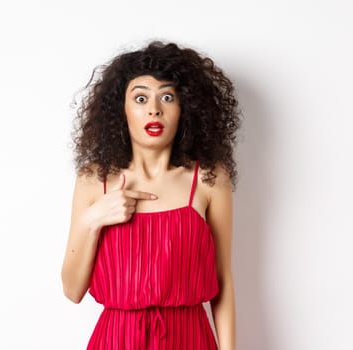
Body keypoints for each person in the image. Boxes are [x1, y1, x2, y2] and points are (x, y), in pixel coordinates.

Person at [61, 40, 241, 349]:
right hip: (117, 341)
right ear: (122, 110)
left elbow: (222, 282)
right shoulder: (94, 180)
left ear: (185, 108)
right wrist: (92, 221)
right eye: (140, 98)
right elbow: (73, 290)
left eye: (167, 97)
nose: (154, 109)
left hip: (190, 340)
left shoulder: (210, 179)